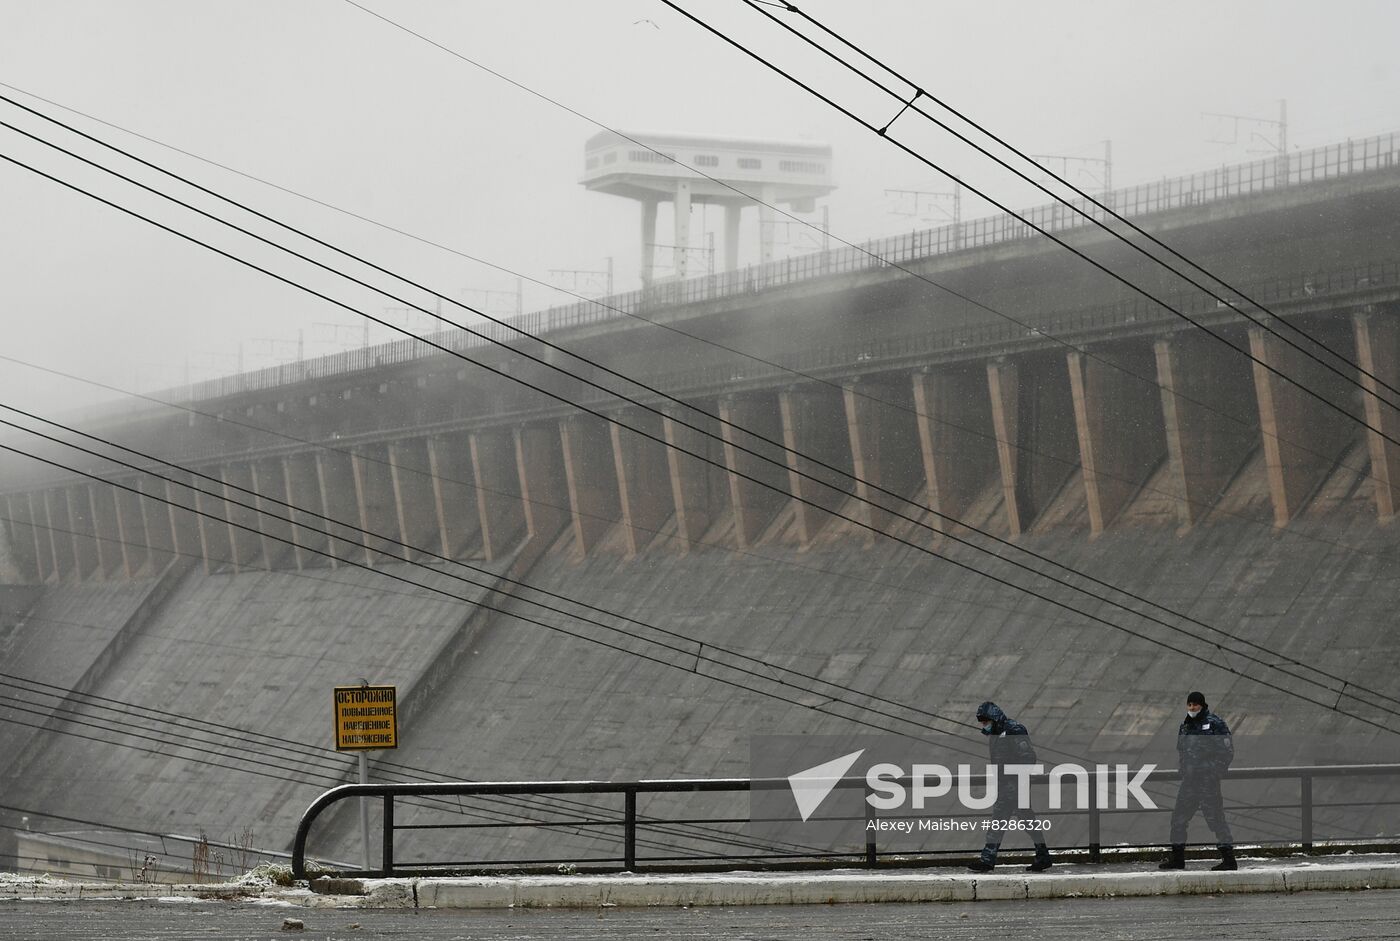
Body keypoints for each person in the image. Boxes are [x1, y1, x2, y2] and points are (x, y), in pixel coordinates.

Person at [967, 702, 1052, 873]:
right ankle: (1043, 856)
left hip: (1014, 785)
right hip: (1008, 785)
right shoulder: (997, 733)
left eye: (985, 722)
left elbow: (1028, 757)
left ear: (994, 718)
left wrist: (1013, 778)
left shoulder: (1014, 729)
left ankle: (988, 860)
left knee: (1000, 822)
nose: (984, 725)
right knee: (1026, 821)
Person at [1159, 691, 1236, 871]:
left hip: (1207, 781)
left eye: (1195, 705)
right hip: (1190, 781)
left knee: (1216, 819)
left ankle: (1229, 860)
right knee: (1178, 819)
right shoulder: (1185, 726)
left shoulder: (1215, 724)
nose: (1192, 708)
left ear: (1202, 705)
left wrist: (1213, 773)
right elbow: (1182, 751)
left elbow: (1227, 752)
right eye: (1189, 705)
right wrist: (1184, 769)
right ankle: (1177, 859)